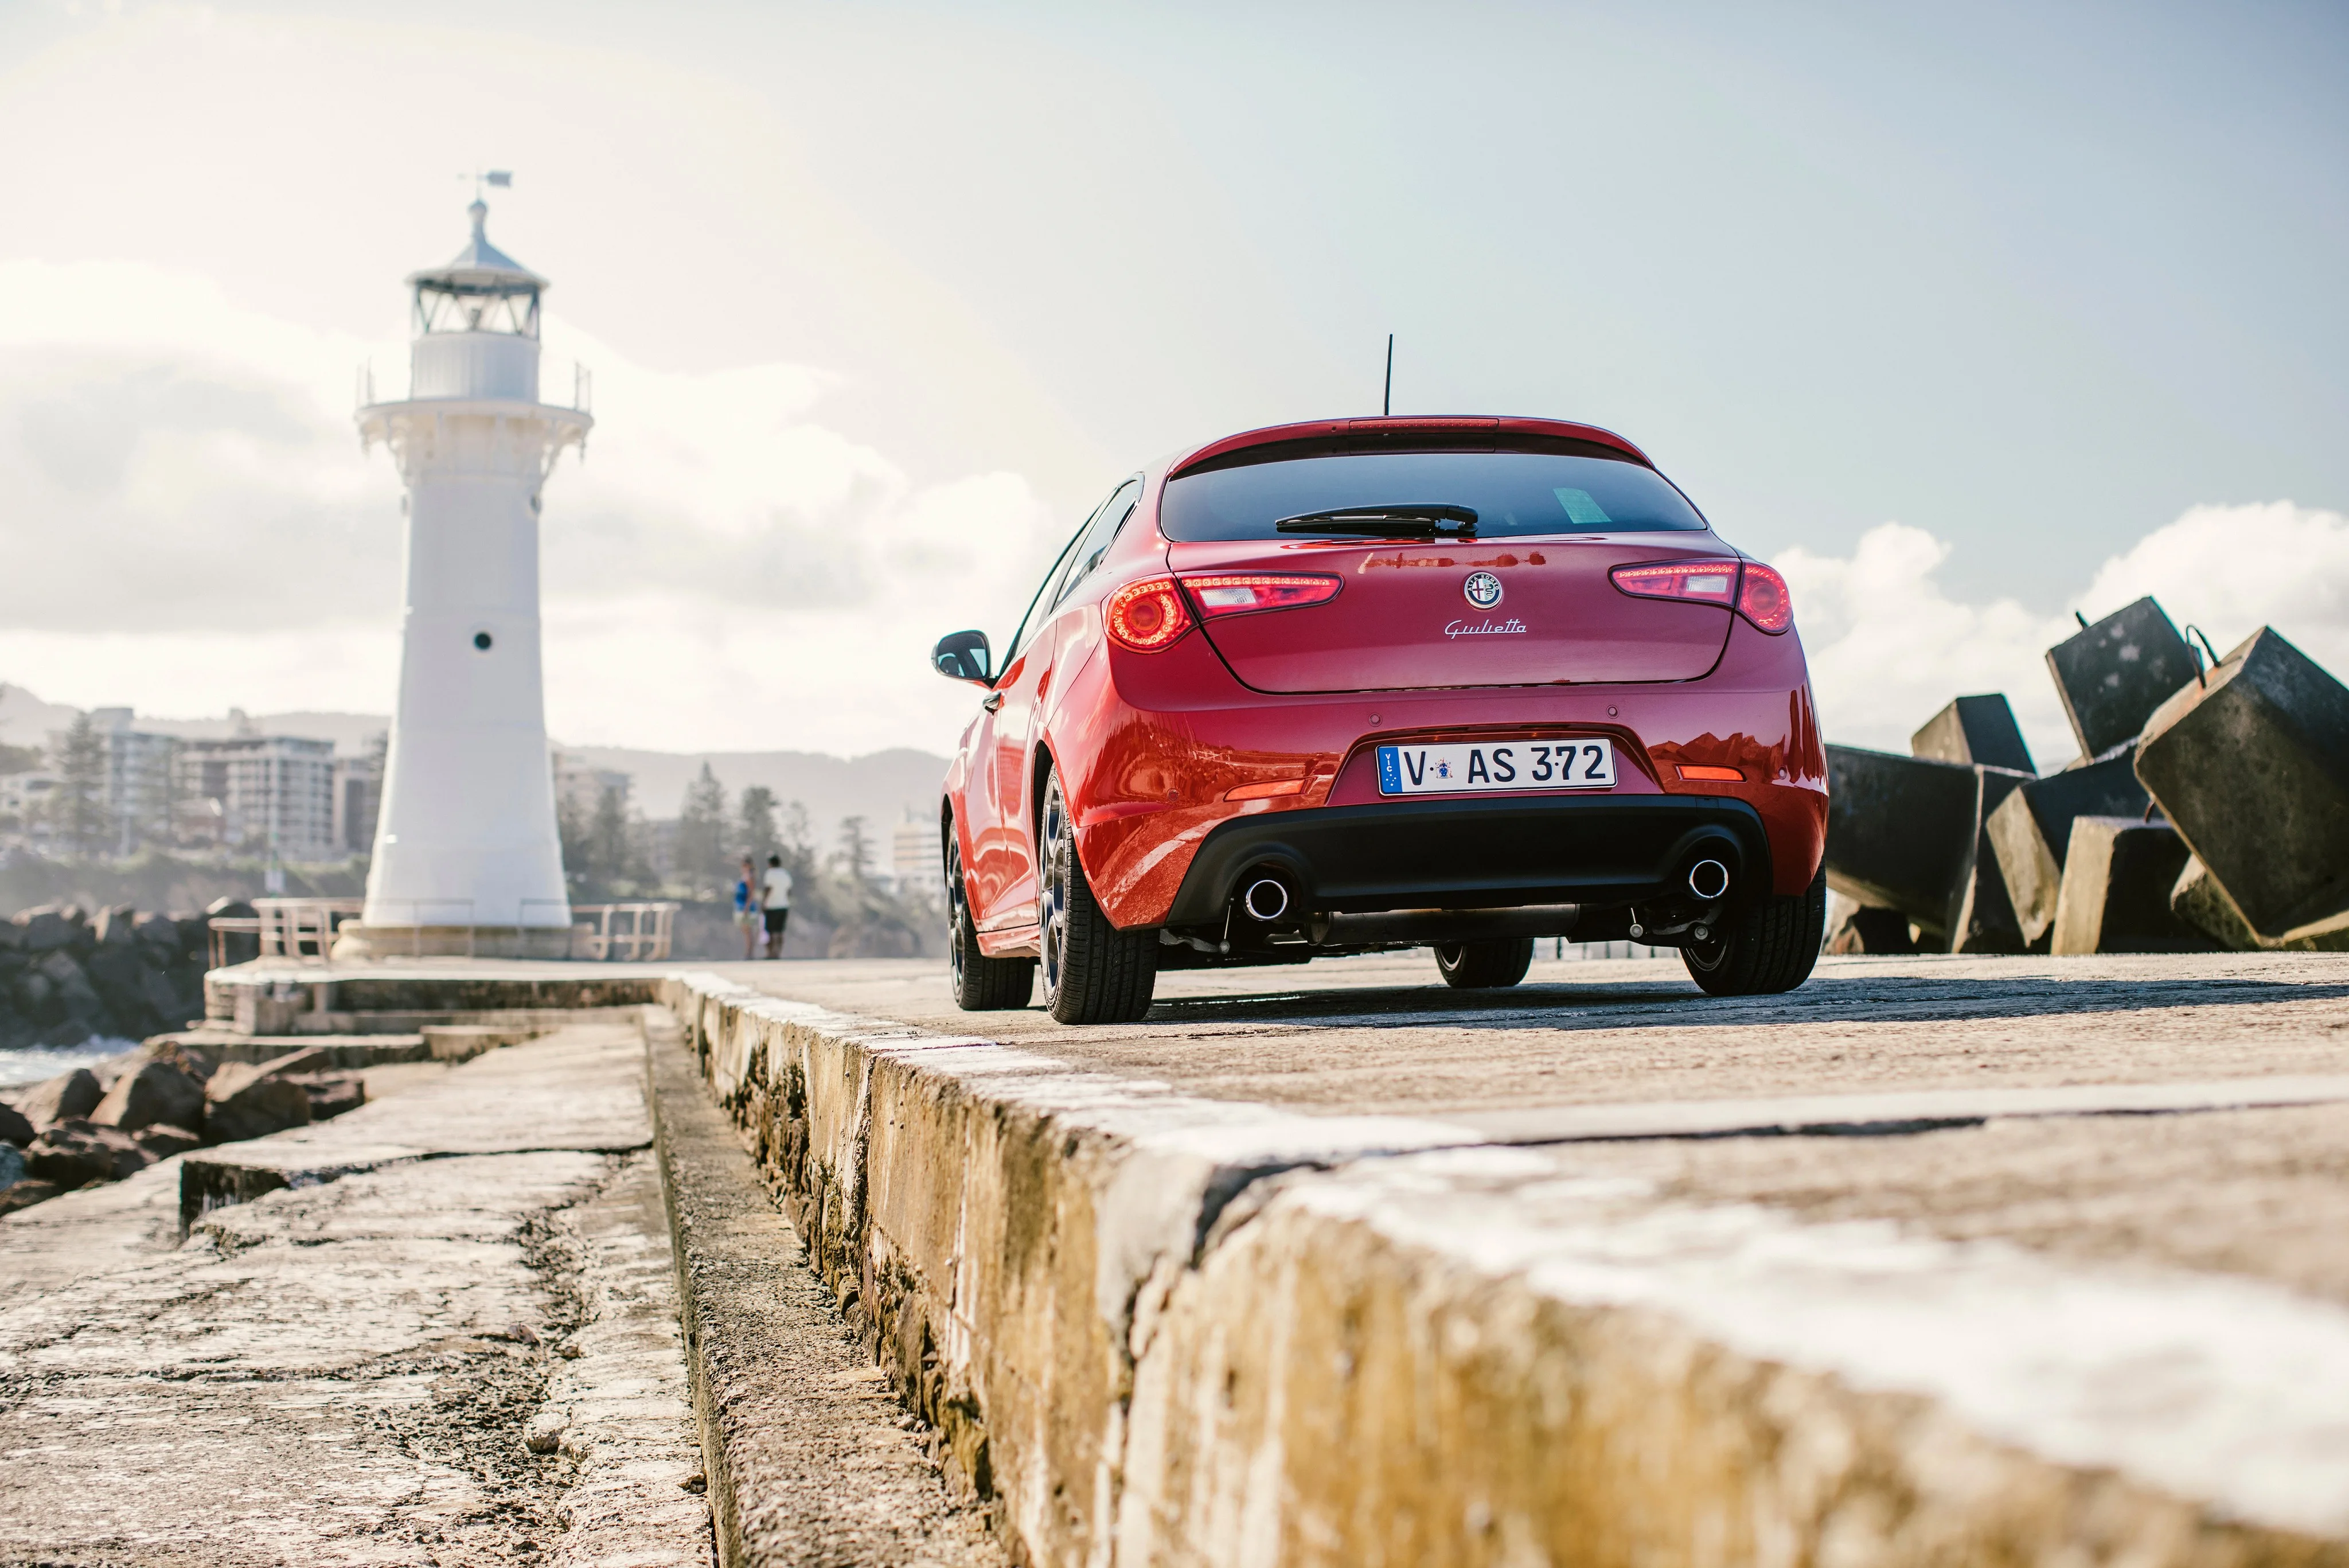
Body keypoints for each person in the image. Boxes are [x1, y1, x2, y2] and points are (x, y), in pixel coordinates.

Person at [761, 853, 794, 959]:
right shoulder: (785, 874)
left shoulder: (770, 873)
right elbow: (789, 890)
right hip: (783, 905)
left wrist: (764, 903)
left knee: (770, 931)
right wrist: (786, 901)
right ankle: (778, 952)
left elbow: (768, 889)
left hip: (772, 905)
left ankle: (770, 953)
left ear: (770, 864)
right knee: (779, 931)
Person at [733, 856, 758, 960]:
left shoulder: (750, 877)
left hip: (746, 908)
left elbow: (751, 894)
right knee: (746, 931)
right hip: (741, 907)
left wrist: (746, 908)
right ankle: (748, 952)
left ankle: (749, 954)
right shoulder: (744, 876)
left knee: (748, 931)